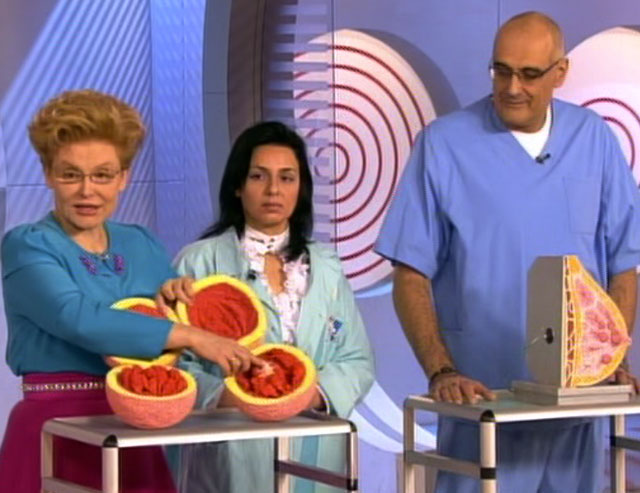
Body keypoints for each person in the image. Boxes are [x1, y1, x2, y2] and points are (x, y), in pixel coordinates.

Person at [376, 11, 640, 493]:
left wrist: (608, 360)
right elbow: (409, 273)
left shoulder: (594, 139)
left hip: (576, 406)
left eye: (529, 74)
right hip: (482, 400)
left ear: (561, 73)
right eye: (501, 71)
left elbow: (625, 264)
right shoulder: (444, 144)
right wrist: (441, 370)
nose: (512, 87)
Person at [0, 89, 260, 493]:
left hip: (138, 424)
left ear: (123, 177)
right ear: (48, 174)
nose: (87, 190)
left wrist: (179, 299)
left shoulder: (141, 242)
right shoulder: (27, 244)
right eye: (70, 174)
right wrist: (190, 334)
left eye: (103, 175)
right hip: (56, 425)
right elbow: (76, 318)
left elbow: (171, 338)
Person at [166, 121, 374, 493]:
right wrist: (226, 396)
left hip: (315, 445)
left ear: (301, 188)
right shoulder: (198, 262)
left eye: (287, 178)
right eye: (258, 176)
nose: (274, 190)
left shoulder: (327, 265)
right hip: (231, 444)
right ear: (237, 185)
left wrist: (311, 393)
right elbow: (174, 365)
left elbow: (357, 359)